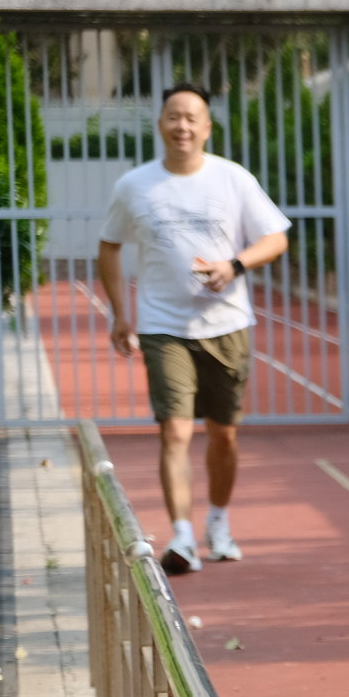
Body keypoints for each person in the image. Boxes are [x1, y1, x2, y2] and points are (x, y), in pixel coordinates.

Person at [97, 82, 291, 574]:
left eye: (191, 118)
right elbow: (109, 246)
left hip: (226, 325)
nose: (181, 126)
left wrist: (234, 265)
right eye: (173, 116)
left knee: (223, 435)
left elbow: (276, 237)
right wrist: (120, 313)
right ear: (160, 124)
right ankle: (182, 536)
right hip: (163, 325)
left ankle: (218, 523)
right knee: (175, 431)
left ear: (206, 128)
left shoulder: (232, 178)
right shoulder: (135, 185)